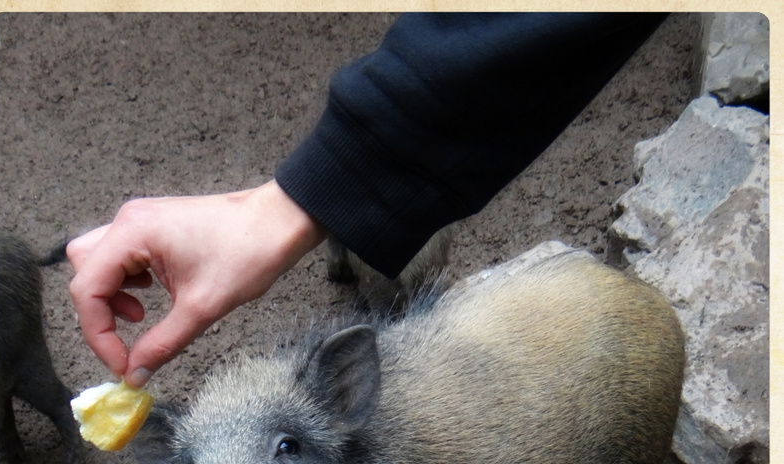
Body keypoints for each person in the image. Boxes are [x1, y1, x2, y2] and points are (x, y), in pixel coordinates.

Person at [66, 12, 666, 387]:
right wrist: (300, 197)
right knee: (367, 263)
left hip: (396, 220)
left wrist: (298, 198)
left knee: (396, 281)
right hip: (378, 193)